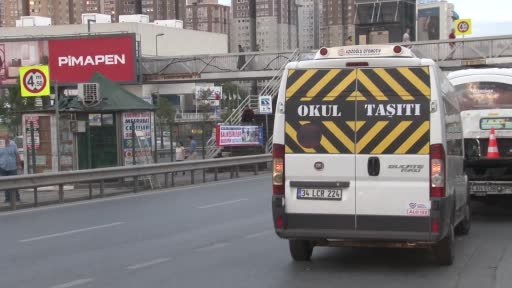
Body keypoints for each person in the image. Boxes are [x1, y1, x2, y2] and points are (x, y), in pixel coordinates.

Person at [0, 133, 21, 203]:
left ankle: (17, 197)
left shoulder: (13, 144)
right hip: (2, 167)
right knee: (6, 184)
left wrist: (19, 165)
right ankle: (7, 198)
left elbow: (17, 155)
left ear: (8, 138)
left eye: (4, 138)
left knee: (14, 183)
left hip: (12, 167)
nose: (3, 140)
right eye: (2, 138)